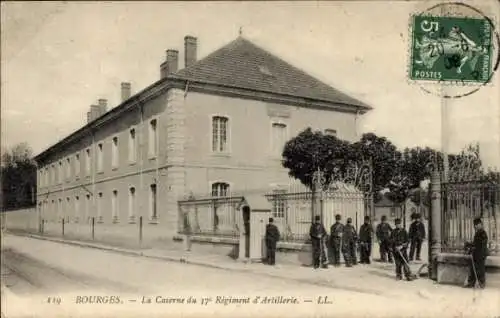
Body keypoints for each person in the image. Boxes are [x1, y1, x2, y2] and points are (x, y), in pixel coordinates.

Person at [464, 217, 489, 289]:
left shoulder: (483, 233)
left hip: (481, 254)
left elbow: (481, 245)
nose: (475, 226)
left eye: (477, 224)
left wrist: (473, 246)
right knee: (473, 269)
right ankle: (471, 283)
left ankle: (481, 284)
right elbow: (475, 243)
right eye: (474, 225)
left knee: (480, 270)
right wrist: (470, 245)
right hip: (476, 254)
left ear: (480, 224)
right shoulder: (478, 233)